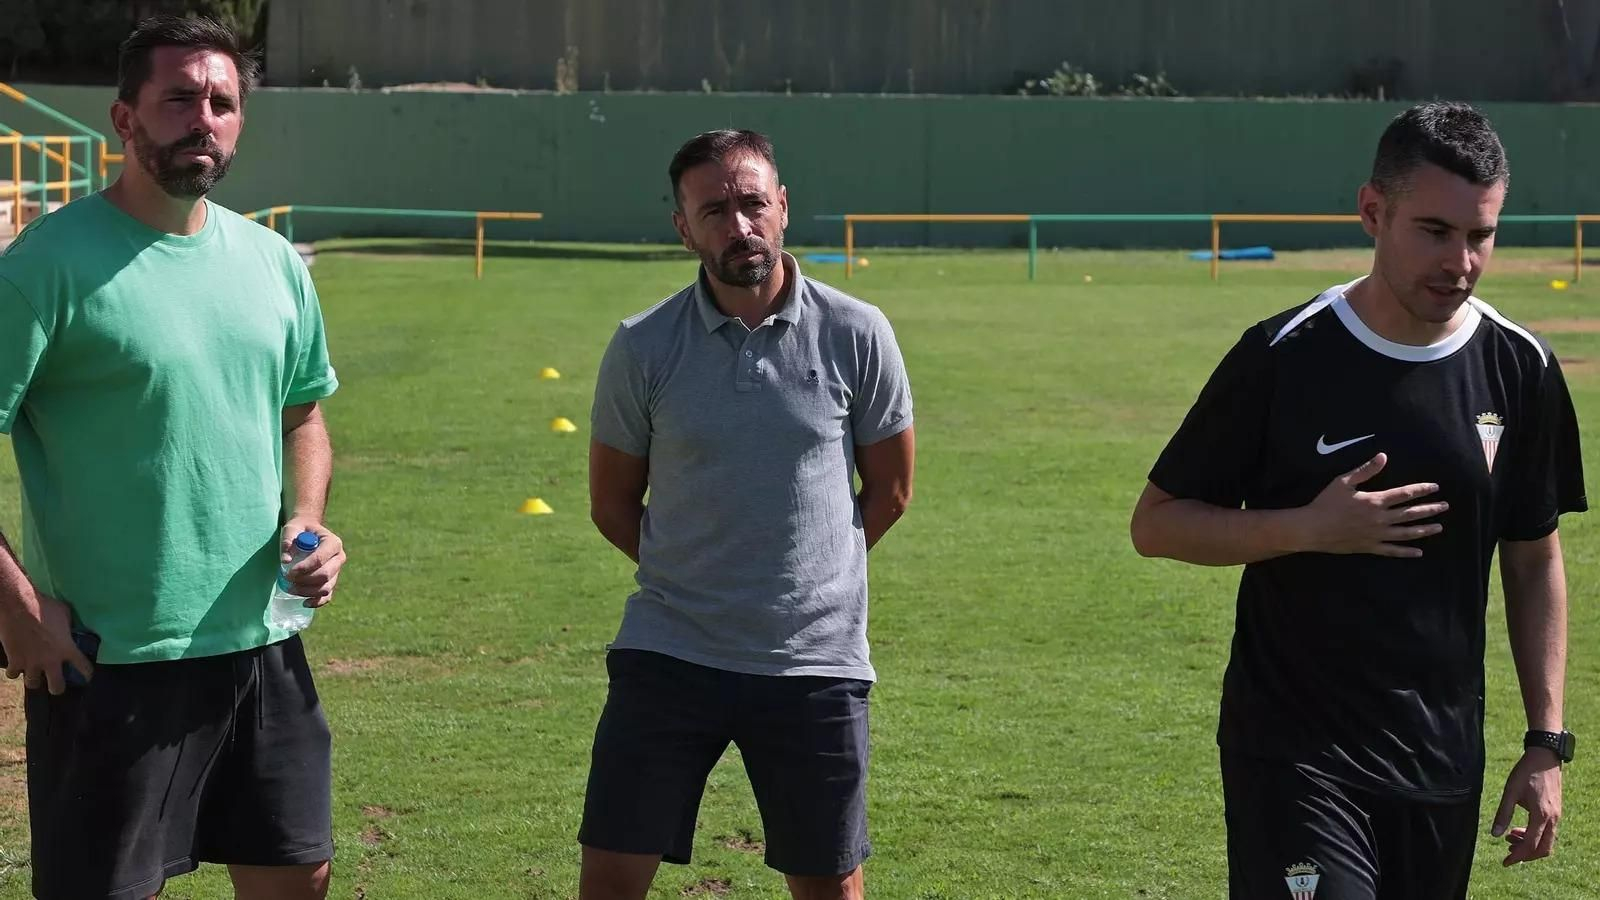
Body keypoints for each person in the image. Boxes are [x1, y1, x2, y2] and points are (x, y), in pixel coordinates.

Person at [1130, 101, 1585, 899]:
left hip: (1439, 760)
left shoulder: (1521, 367)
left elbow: (1532, 553)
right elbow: (1157, 524)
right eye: (1435, 232)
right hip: (1295, 753)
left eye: (1481, 236)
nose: (1462, 262)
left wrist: (1546, 741)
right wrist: (1307, 528)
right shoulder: (1284, 355)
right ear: (1373, 212)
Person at [0, 15, 346, 900]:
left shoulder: (273, 262)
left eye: (222, 102)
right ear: (125, 119)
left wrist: (306, 517)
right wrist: (18, 606)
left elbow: (302, 414)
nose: (203, 118)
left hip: (262, 642)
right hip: (110, 658)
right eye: (179, 98)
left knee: (298, 874)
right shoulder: (45, 266)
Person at [579, 129, 915, 900]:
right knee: (609, 877)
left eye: (753, 203)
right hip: (670, 651)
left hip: (813, 661)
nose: (739, 225)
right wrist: (696, 575)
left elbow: (891, 492)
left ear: (783, 207)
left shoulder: (858, 333)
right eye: (715, 210)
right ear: (682, 227)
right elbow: (610, 503)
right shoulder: (642, 346)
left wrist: (805, 580)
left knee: (829, 884)